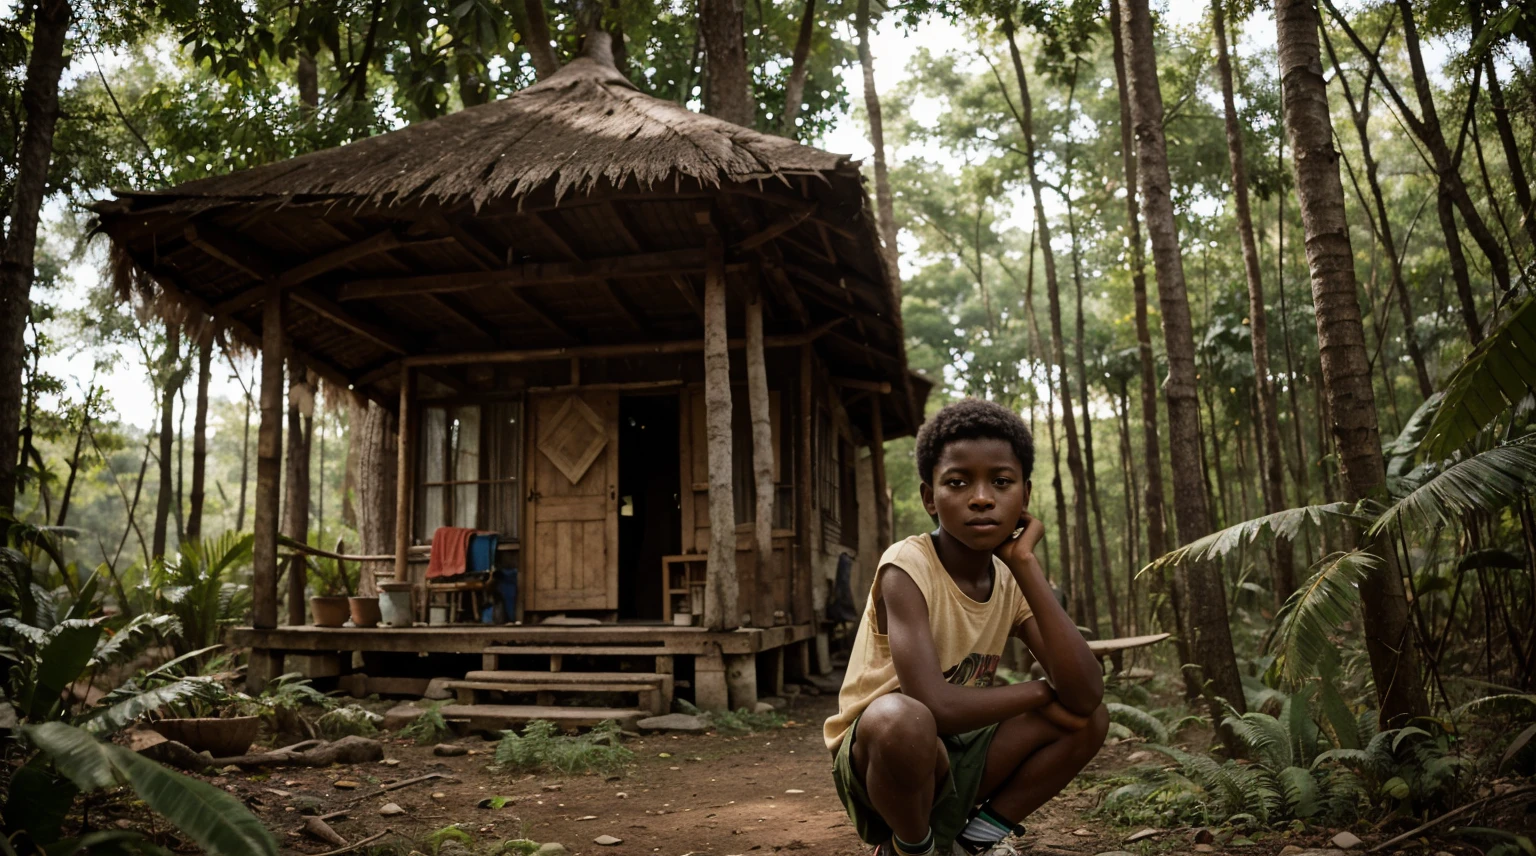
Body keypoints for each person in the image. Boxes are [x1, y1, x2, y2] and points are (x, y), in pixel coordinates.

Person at [824, 398, 1109, 856]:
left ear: (1025, 496)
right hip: (883, 758)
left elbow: (1086, 692)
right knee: (903, 719)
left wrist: (1024, 562)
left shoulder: (1011, 579)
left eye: (1001, 482)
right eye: (958, 483)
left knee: (1089, 719)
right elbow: (931, 703)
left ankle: (972, 841)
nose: (981, 497)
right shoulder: (907, 565)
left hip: (959, 751)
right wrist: (1042, 690)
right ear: (929, 498)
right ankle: (911, 847)